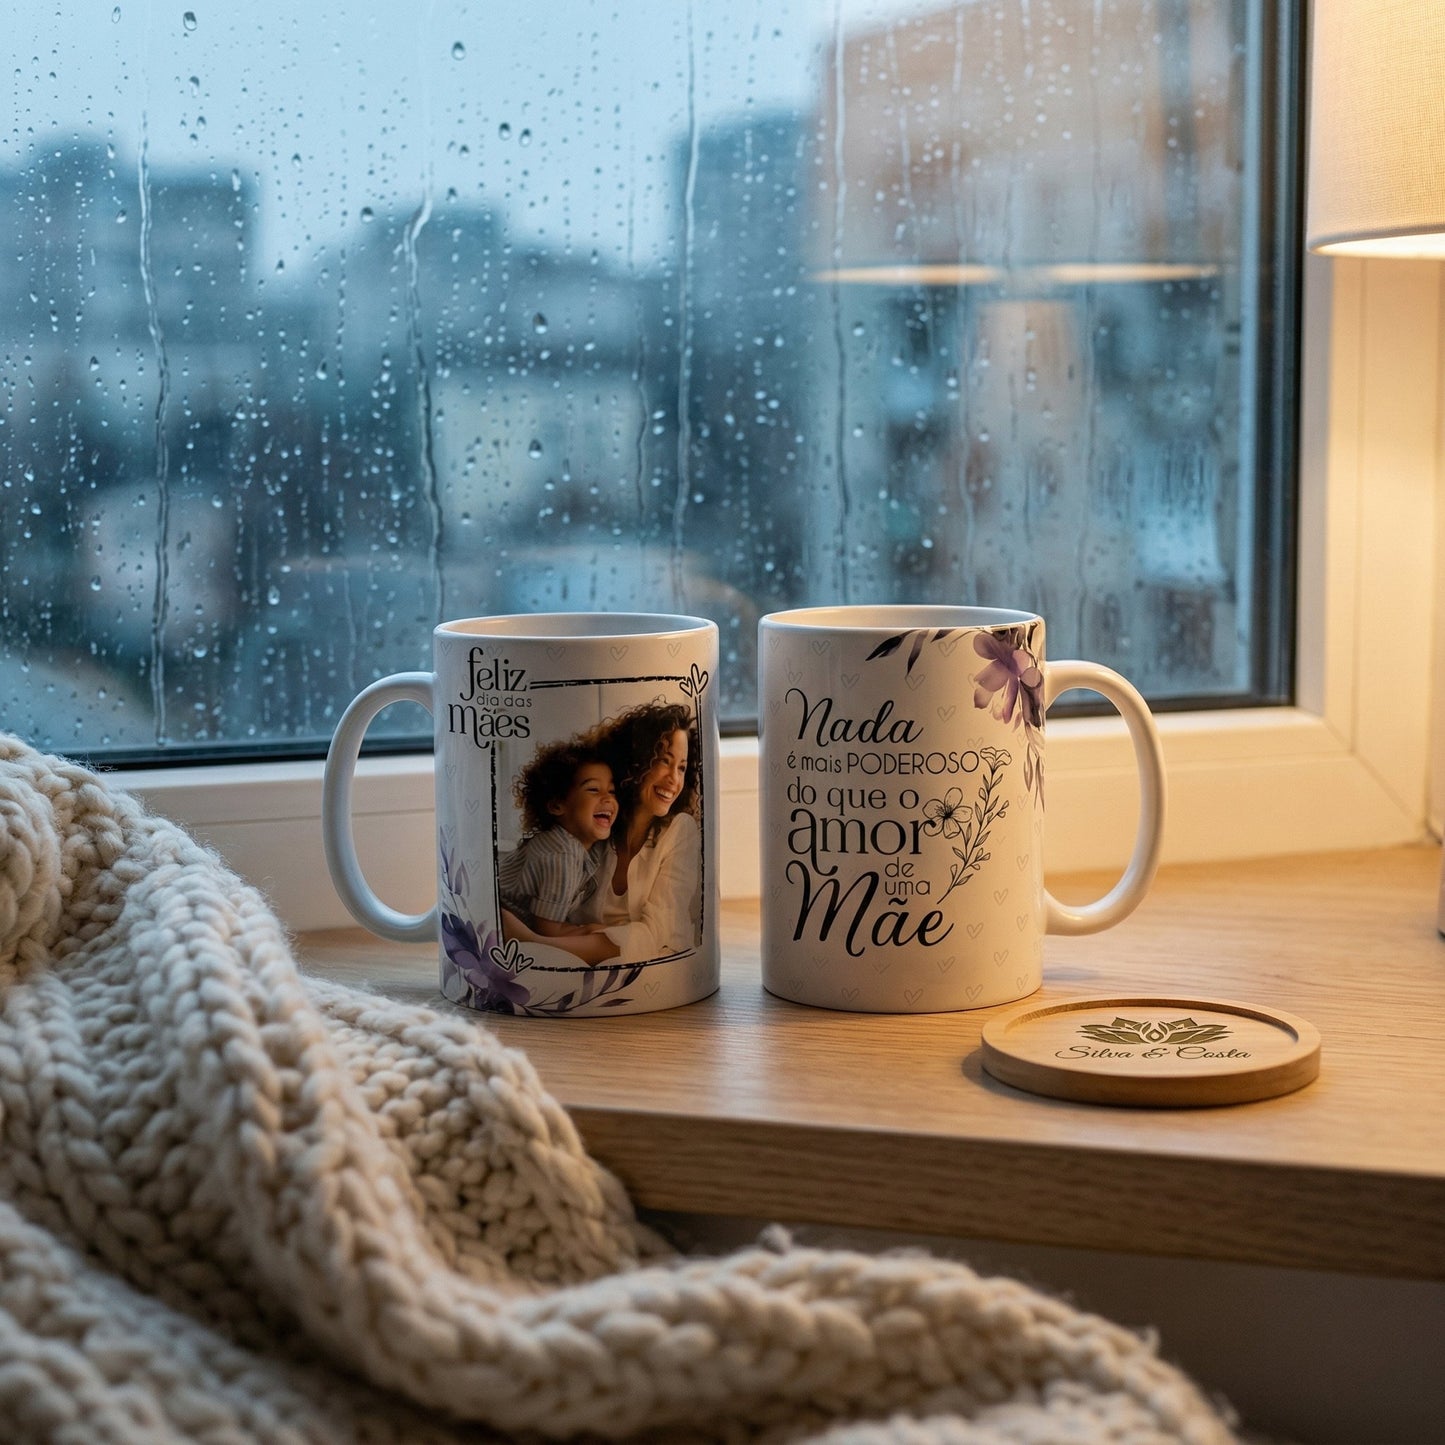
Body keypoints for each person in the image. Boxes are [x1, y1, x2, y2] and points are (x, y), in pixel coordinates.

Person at [505, 701, 701, 965]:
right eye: (664, 761)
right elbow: (561, 911)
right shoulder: (594, 830)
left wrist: (536, 942)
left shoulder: (679, 830)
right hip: (579, 958)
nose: (674, 780)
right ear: (636, 762)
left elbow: (657, 933)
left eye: (682, 767)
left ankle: (531, 946)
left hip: (653, 965)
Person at [498, 741, 617, 941]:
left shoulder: (569, 845)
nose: (608, 799)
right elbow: (547, 931)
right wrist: (589, 930)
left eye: (612, 791)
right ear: (557, 806)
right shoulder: (562, 856)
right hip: (498, 926)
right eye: (593, 789)